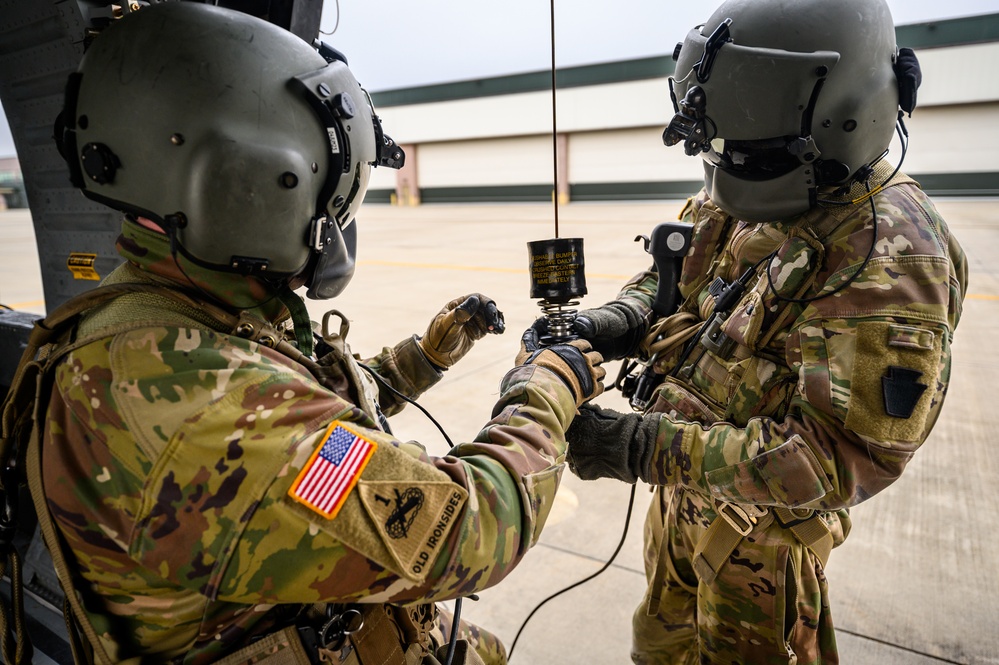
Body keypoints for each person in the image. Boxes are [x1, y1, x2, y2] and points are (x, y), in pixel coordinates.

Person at [26, 3, 605, 664]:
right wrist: (546, 388)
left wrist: (423, 357)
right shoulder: (202, 411)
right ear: (253, 182)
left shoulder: (161, 320)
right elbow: (471, 529)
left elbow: (312, 427)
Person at [554, 0, 968, 663]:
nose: (731, 162)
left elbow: (831, 458)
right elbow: (678, 280)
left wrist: (637, 446)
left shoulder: (886, 249)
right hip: (683, 503)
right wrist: (619, 321)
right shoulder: (751, 171)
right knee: (658, 647)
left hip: (762, 547)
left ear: (839, 111)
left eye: (749, 145)